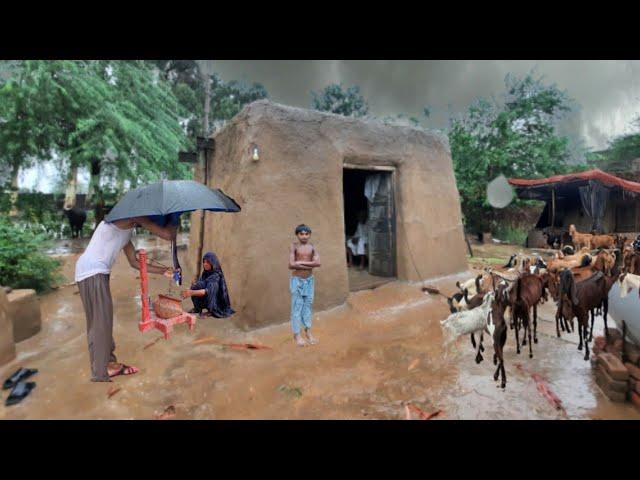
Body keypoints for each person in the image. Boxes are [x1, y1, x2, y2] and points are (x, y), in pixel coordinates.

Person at [75, 214, 180, 382]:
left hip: (93, 272)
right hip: (93, 271)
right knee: (101, 323)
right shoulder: (131, 216)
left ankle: (108, 364)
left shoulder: (126, 231)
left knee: (101, 321)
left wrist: (163, 271)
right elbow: (167, 235)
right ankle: (102, 370)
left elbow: (135, 262)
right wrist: (175, 219)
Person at [289, 224, 321, 347]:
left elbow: (318, 263)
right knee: (297, 307)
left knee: (307, 306)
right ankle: (297, 335)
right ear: (297, 235)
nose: (304, 236)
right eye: (301, 234)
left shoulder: (312, 247)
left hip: (309, 281)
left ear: (310, 235)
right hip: (297, 281)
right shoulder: (294, 246)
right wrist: (310, 264)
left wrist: (300, 262)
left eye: (306, 234)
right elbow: (291, 264)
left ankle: (308, 331)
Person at [181, 252, 235, 318]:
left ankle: (211, 311)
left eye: (208, 262)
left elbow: (207, 291)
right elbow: (201, 284)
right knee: (195, 287)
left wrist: (191, 292)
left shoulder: (216, 275)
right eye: (204, 262)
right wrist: (193, 286)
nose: (205, 264)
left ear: (213, 263)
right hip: (206, 296)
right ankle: (197, 308)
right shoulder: (206, 273)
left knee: (209, 292)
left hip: (216, 301)